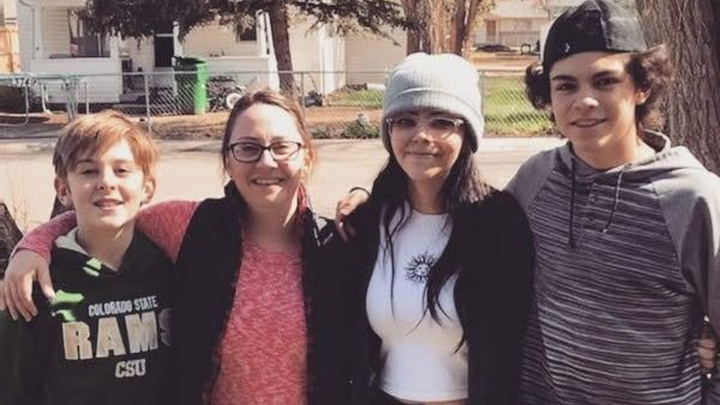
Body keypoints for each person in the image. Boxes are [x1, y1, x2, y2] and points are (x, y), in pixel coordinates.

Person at [0, 90, 343, 405]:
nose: (266, 162)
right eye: (247, 147)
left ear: (307, 157)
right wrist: (33, 246)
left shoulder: (336, 244)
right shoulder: (190, 226)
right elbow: (109, 216)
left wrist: (361, 200)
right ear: (228, 160)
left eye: (282, 147)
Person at [513, 1, 720, 403]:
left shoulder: (693, 199)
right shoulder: (535, 179)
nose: (584, 100)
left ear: (642, 87)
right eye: (566, 85)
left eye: (605, 81)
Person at [335, 52, 534, 405]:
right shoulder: (368, 222)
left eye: (442, 122)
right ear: (389, 131)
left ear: (467, 134)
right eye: (405, 120)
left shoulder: (499, 223)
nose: (421, 135)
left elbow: (510, 344)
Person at [0, 111, 172, 405]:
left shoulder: (171, 266)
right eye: (89, 171)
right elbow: (14, 390)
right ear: (63, 189)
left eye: (122, 170)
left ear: (147, 187)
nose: (106, 182)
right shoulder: (36, 283)